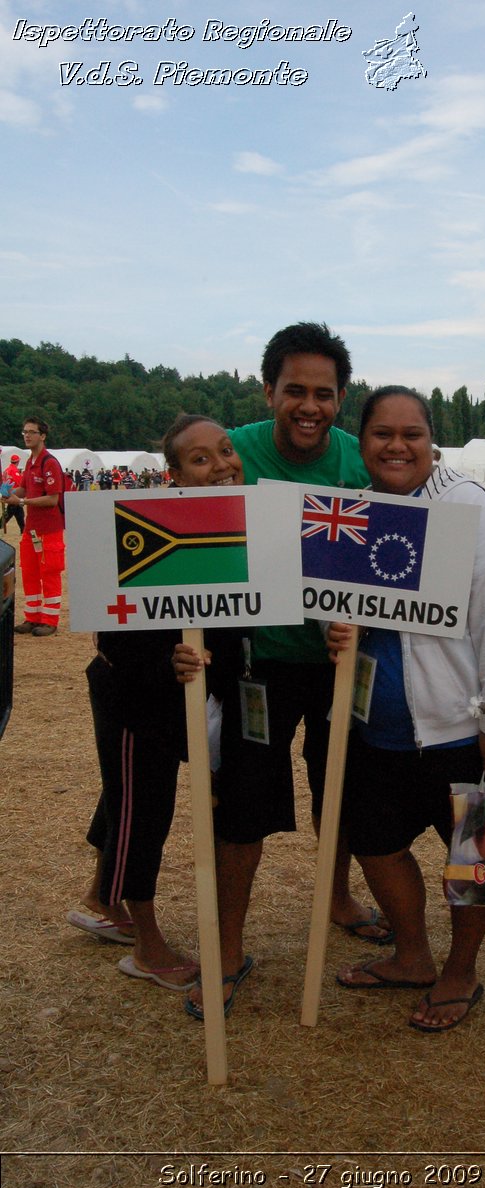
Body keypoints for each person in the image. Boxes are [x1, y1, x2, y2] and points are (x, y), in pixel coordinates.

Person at [175, 322, 389, 1020]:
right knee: (242, 811)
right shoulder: (233, 449)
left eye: (323, 394)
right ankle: (228, 949)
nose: (309, 406)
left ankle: (336, 897)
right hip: (255, 665)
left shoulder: (362, 463)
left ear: (341, 398)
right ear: (269, 390)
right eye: (293, 390)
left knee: (342, 792)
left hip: (337, 666)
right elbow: (184, 527)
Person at [331, 386, 485, 1032]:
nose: (396, 446)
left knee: (484, 861)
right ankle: (413, 956)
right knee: (374, 842)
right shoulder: (353, 512)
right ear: (359, 443)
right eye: (381, 434)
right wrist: (335, 631)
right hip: (377, 729)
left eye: (410, 433)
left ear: (431, 439)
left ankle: (461, 971)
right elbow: (336, 606)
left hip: (465, 729)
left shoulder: (471, 506)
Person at [67, 415, 244, 991]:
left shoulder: (243, 520)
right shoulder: (135, 528)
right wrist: (165, 662)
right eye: (200, 459)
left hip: (191, 697)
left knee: (128, 798)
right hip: (134, 697)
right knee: (142, 812)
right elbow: (112, 636)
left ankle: (100, 898)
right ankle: (146, 945)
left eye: (225, 450)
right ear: (173, 475)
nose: (220, 465)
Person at [3, 417, 65, 636]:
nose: (27, 435)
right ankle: (32, 616)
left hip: (50, 529)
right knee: (29, 572)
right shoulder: (30, 462)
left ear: (43, 436)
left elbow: (52, 499)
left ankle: (49, 619)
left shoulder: (49, 463)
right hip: (32, 529)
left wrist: (21, 502)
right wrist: (8, 495)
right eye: (24, 432)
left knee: (49, 572)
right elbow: (22, 489)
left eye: (32, 432)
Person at [2, 454, 25, 533]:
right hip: (14, 494)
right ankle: (23, 529)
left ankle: (23, 529)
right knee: (10, 512)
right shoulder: (14, 470)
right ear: (17, 461)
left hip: (6, 492)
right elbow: (20, 482)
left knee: (19, 513)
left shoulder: (6, 470)